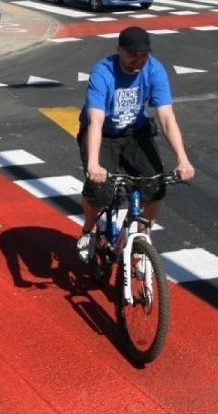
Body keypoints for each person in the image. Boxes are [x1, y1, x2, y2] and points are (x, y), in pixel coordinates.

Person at [76, 26, 195, 262]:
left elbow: (166, 117)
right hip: (104, 133)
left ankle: (141, 243)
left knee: (155, 186)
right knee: (99, 191)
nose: (138, 61)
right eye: (133, 55)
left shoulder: (154, 69)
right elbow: (96, 120)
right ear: (119, 50)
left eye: (143, 55)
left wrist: (182, 159)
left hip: (135, 132)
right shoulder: (103, 72)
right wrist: (93, 165)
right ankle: (89, 230)